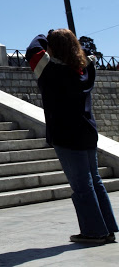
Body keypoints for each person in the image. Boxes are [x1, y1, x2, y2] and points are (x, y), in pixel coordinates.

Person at [26, 29, 118, 245]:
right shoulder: (86, 68)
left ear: (53, 48)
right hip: (87, 131)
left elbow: (33, 48)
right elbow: (83, 52)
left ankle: (94, 232)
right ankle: (107, 229)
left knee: (81, 185)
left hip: (65, 134)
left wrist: (44, 34)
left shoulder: (50, 70)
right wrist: (68, 40)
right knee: (94, 181)